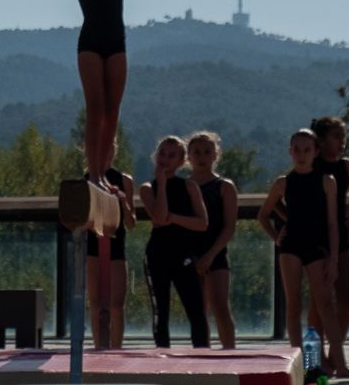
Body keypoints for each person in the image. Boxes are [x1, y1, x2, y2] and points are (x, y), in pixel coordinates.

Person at [11, 0, 192, 182]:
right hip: (90, 45)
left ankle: (104, 170)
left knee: (112, 112)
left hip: (116, 44)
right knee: (95, 111)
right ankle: (94, 173)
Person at [259, 128, 349, 375]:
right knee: (294, 303)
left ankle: (340, 364)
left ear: (316, 152)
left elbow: (333, 223)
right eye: (297, 150)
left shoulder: (326, 181)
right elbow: (263, 214)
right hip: (291, 248)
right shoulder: (283, 182)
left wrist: (333, 259)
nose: (301, 154)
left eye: (306, 149)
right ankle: (302, 365)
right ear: (290, 152)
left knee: (325, 304)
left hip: (316, 246)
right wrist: (276, 237)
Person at [142, 134, 213, 348]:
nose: (165, 159)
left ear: (182, 161)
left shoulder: (190, 186)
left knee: (196, 311)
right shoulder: (147, 188)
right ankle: (162, 357)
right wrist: (162, 185)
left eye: (172, 155)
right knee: (160, 312)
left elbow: (202, 223)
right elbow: (158, 217)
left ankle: (202, 360)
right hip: (157, 256)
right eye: (162, 154)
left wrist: (174, 218)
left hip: (183, 255)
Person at [314, 117, 349, 371]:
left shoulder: (347, 166)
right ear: (321, 141)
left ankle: (336, 352)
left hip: (341, 239)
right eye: (336, 136)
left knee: (347, 298)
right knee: (318, 302)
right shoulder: (311, 165)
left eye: (343, 136)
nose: (342, 141)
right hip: (314, 240)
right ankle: (316, 358)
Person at [187, 132, 240, 350]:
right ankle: (202, 355)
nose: (202, 157)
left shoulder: (224, 187)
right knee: (198, 311)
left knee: (220, 306)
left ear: (215, 155)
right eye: (196, 152)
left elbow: (229, 227)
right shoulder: (184, 187)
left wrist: (210, 255)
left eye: (207, 152)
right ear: (188, 157)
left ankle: (229, 353)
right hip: (189, 254)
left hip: (216, 254)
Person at [86, 166, 138, 349]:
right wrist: (97, 226)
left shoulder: (124, 180)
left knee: (116, 306)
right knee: (95, 304)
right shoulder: (86, 179)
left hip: (116, 248)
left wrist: (122, 201)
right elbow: (83, 219)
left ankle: (116, 349)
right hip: (93, 247)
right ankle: (98, 347)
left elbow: (131, 223)